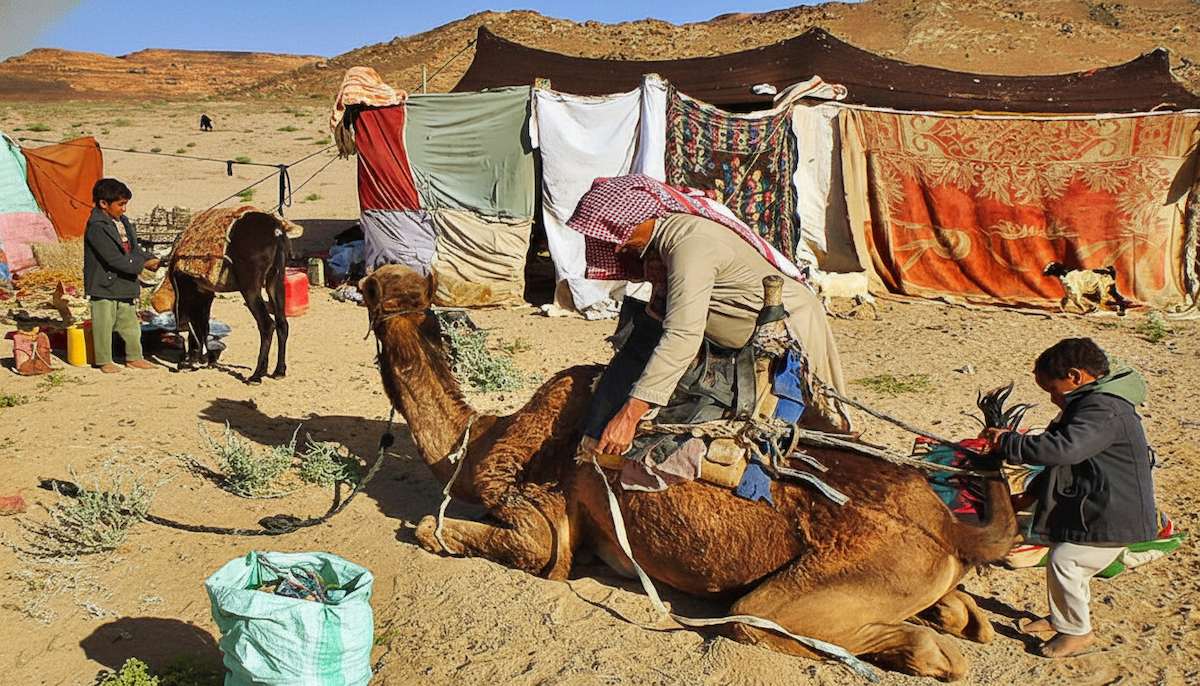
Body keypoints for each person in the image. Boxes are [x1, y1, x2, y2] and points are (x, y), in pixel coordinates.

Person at [567, 174, 848, 457]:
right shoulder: (665, 241)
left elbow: (683, 334)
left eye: (618, 233)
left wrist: (629, 416)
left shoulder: (690, 245)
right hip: (729, 331)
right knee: (643, 335)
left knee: (800, 438)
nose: (617, 246)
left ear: (640, 217)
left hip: (786, 327)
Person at [982, 338, 1158, 658]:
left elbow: (1063, 450)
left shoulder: (1103, 409)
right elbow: (1064, 464)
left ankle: (1077, 632)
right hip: (1096, 505)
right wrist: (1029, 496)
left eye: (1053, 389)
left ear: (1075, 376)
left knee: (1066, 561)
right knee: (1067, 562)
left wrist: (1009, 442)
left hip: (1114, 513)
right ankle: (1062, 618)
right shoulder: (1088, 406)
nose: (1052, 398)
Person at [83, 178, 160, 373]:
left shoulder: (123, 222)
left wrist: (150, 259)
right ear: (103, 203)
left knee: (130, 325)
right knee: (103, 325)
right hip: (103, 284)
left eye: (125, 204)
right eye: (120, 204)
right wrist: (142, 265)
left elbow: (135, 249)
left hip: (124, 283)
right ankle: (104, 360)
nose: (124, 209)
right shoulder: (96, 227)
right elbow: (114, 259)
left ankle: (134, 357)